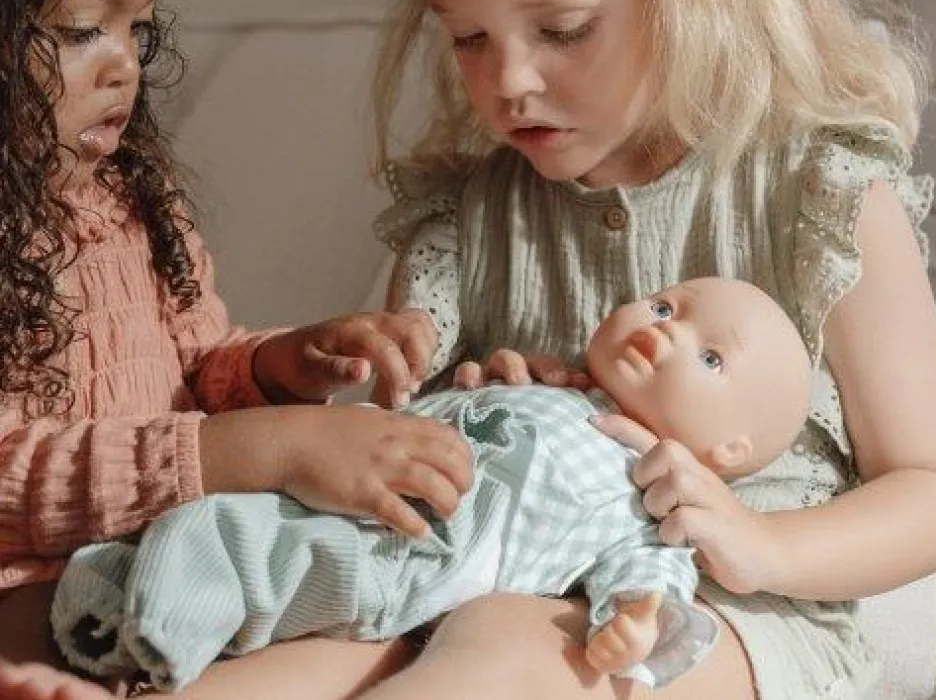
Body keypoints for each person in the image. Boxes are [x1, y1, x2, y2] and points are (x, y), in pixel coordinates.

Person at [355, 0, 936, 698]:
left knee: (507, 645)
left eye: (563, 29)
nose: (508, 81)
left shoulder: (818, 192)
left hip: (729, 609)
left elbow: (927, 488)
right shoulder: (462, 221)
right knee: (305, 656)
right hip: (485, 576)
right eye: (469, 37)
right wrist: (463, 415)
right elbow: (379, 455)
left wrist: (760, 544)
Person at [0, 0, 472, 692]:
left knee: (390, 641)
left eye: (139, 26)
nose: (124, 65)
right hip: (29, 592)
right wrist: (254, 452)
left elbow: (192, 370)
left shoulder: (133, 200)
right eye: (81, 26)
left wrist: (276, 367)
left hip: (154, 576)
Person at [51, 277, 811, 694]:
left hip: (408, 561)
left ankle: (149, 650)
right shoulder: (543, 385)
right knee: (222, 526)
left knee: (244, 552)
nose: (667, 328)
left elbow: (650, 573)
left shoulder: (647, 494)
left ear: (728, 449)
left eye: (710, 358)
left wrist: (636, 622)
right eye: (666, 306)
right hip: (357, 494)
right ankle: (106, 609)